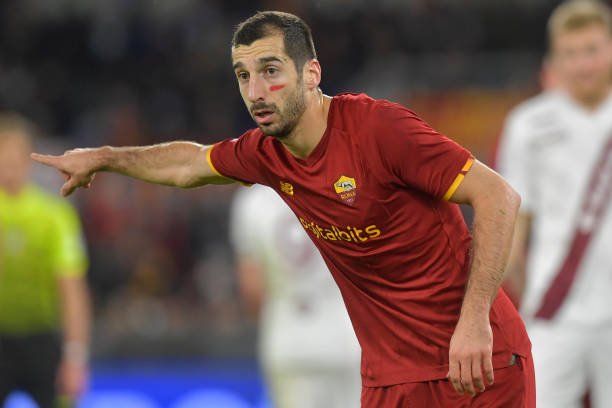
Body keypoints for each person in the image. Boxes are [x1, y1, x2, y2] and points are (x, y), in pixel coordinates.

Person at [32, 11, 534, 407]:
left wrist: (474, 321)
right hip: (390, 378)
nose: (255, 92)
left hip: (476, 362)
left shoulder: (380, 129)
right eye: (243, 75)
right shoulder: (267, 154)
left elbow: (498, 196)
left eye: (270, 71)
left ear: (311, 73)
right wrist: (105, 158)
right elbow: (188, 164)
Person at [497, 1, 612, 407]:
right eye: (571, 53)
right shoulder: (528, 124)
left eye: (592, 50)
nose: (583, 64)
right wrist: (518, 289)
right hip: (554, 307)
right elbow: (514, 222)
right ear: (554, 60)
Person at [230, 184, 361, 408]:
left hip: (288, 337)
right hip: (346, 333)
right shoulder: (340, 184)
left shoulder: (252, 199)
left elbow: (252, 289)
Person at [0, 113, 91, 408]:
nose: (8, 167)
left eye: (14, 159)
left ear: (28, 162)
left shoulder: (54, 216)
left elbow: (71, 289)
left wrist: (75, 357)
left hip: (42, 340)